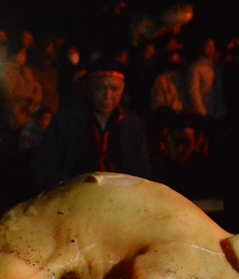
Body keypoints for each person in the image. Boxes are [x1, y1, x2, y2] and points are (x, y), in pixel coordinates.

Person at [30, 57, 150, 192]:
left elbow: (142, 173)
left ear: (123, 89)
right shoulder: (66, 122)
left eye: (115, 89)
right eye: (101, 88)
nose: (108, 96)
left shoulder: (133, 126)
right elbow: (43, 168)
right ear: (90, 88)